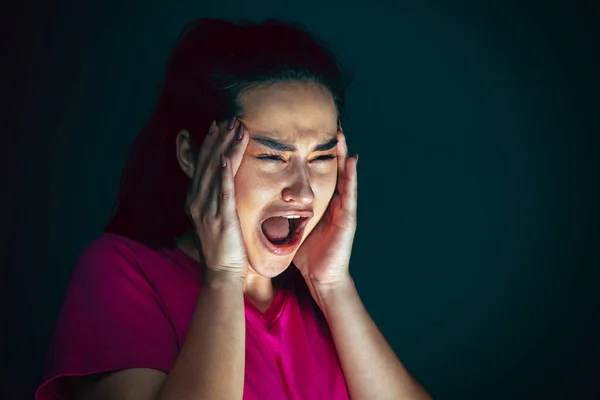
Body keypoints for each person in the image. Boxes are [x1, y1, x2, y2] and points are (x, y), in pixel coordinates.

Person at [35, 18, 431, 400]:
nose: (305, 192)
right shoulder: (119, 271)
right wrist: (224, 276)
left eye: (322, 158)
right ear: (192, 154)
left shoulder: (319, 302)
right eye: (273, 157)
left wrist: (334, 286)